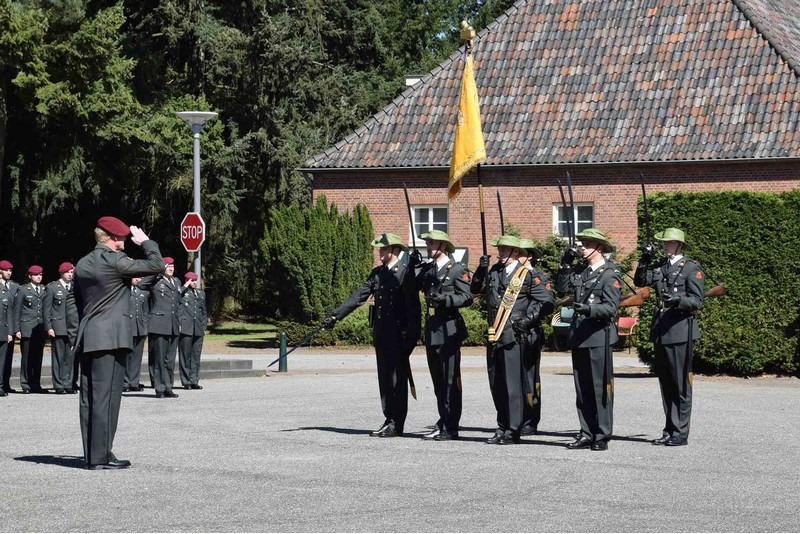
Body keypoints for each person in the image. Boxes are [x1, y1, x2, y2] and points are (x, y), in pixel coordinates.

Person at [73, 215, 163, 470]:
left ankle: (94, 453)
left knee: (90, 398)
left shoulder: (82, 263)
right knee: (107, 397)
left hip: (90, 335)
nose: (125, 240)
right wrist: (146, 242)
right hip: (111, 338)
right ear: (113, 239)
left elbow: (77, 300)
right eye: (122, 237)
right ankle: (100, 457)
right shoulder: (115, 261)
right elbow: (155, 265)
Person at [321, 233, 421, 438]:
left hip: (399, 335)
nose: (380, 252)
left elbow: (413, 308)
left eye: (384, 249)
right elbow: (358, 296)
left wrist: (412, 336)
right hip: (382, 333)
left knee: (397, 380)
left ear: (395, 250)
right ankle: (388, 417)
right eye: (380, 249)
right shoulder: (378, 273)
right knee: (385, 379)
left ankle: (396, 422)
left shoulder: (405, 273)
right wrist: (335, 316)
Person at [471, 235, 554, 445]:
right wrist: (481, 270)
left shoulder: (526, 274)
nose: (501, 254)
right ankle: (502, 425)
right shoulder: (495, 271)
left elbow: (546, 302)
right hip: (494, 334)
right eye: (500, 250)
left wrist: (528, 319)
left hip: (514, 334)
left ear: (516, 253)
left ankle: (513, 429)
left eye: (505, 250)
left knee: (513, 384)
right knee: (496, 383)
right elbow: (475, 289)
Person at [634, 227, 704, 447]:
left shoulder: (691, 268)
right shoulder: (660, 266)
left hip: (680, 330)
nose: (665, 246)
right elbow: (640, 281)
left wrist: (677, 301)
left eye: (670, 242)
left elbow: (697, 300)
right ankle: (669, 429)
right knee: (666, 384)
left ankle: (680, 432)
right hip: (662, 330)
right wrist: (644, 259)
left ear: (680, 245)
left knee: (680, 384)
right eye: (664, 242)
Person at [556, 229, 622, 451]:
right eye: (581, 244)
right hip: (580, 336)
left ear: (599, 248)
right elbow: (563, 289)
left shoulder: (609, 273)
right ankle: (586, 432)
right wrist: (565, 265)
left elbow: (610, 307)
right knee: (582, 389)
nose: (582, 247)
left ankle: (601, 434)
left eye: (586, 244)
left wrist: (588, 309)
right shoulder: (581, 272)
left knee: (599, 387)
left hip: (598, 336)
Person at [414, 230, 472, 441]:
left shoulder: (457, 269)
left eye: (431, 243)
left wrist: (446, 300)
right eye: (427, 243)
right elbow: (411, 286)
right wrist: (412, 266)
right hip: (432, 330)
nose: (428, 247)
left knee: (450, 382)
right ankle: (443, 420)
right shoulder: (429, 270)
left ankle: (451, 425)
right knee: (438, 381)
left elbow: (467, 297)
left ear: (443, 246)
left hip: (449, 329)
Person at [518, 239, 555, 435]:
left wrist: (530, 318)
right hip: (512, 333)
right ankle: (515, 418)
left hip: (530, 332)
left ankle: (531, 419)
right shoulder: (512, 277)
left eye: (520, 253)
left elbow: (547, 303)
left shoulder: (537, 276)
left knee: (529, 378)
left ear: (529, 255)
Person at [145, 257, 181, 398]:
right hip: (159, 324)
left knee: (169, 360)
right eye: (168, 266)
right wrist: (156, 271)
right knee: (159, 359)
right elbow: (142, 283)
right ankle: (159, 388)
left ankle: (168, 387)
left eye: (172, 265)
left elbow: (178, 302)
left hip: (172, 324)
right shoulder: (156, 281)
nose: (171, 268)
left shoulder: (176, 281)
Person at [43, 262, 79, 394]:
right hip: (58, 327)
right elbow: (46, 310)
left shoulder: (75, 287)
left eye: (71, 272)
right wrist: (49, 327)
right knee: (58, 357)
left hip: (72, 328)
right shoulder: (52, 288)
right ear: (61, 273)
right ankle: (58, 384)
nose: (70, 275)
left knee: (70, 357)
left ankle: (68, 383)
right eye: (67, 272)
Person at [15, 265, 47, 393]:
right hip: (27, 327)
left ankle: (36, 383)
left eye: (40, 274)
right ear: (30, 276)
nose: (39, 276)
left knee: (38, 357)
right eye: (36, 274)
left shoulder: (44, 289)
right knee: (27, 357)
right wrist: (17, 329)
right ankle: (25, 383)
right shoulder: (23, 290)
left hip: (39, 328)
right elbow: (17, 311)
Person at [178, 272, 207, 390]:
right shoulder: (183, 292)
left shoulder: (201, 293)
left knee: (196, 355)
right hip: (186, 327)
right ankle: (186, 381)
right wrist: (185, 286)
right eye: (192, 281)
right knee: (185, 355)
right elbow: (176, 297)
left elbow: (203, 311)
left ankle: (194, 380)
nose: (194, 283)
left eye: (195, 281)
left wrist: (204, 325)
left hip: (198, 328)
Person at [123, 277, 149, 392]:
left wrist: (145, 327)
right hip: (128, 328)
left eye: (140, 277)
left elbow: (145, 311)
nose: (138, 279)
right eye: (135, 277)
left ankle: (134, 382)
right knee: (126, 357)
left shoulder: (142, 292)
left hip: (140, 328)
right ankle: (125, 382)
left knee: (137, 358)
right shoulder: (124, 291)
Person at [0, 260, 19, 394]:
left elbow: (11, 312)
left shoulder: (12, 287)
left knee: (4, 360)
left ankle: (2, 384)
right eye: (6, 270)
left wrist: (11, 331)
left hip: (5, 329)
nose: (9, 272)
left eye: (10, 270)